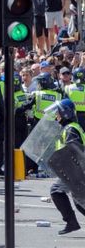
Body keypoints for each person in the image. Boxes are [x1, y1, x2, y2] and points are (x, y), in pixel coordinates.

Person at [50, 99, 85, 235]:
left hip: (75, 170)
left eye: (58, 113)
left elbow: (75, 150)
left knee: (56, 191)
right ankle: (71, 222)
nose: (56, 116)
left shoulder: (70, 129)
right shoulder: (68, 128)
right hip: (72, 170)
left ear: (65, 114)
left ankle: (71, 222)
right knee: (79, 201)